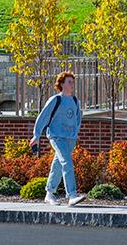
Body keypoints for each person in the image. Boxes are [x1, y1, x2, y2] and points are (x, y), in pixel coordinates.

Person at [29, 71, 85, 206]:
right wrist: (36, 135)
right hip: (57, 136)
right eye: (69, 82)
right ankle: (72, 195)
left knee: (58, 165)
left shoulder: (75, 101)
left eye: (73, 82)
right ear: (61, 84)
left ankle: (49, 193)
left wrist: (75, 134)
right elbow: (43, 116)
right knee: (67, 162)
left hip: (70, 138)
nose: (72, 85)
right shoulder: (56, 100)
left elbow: (78, 120)